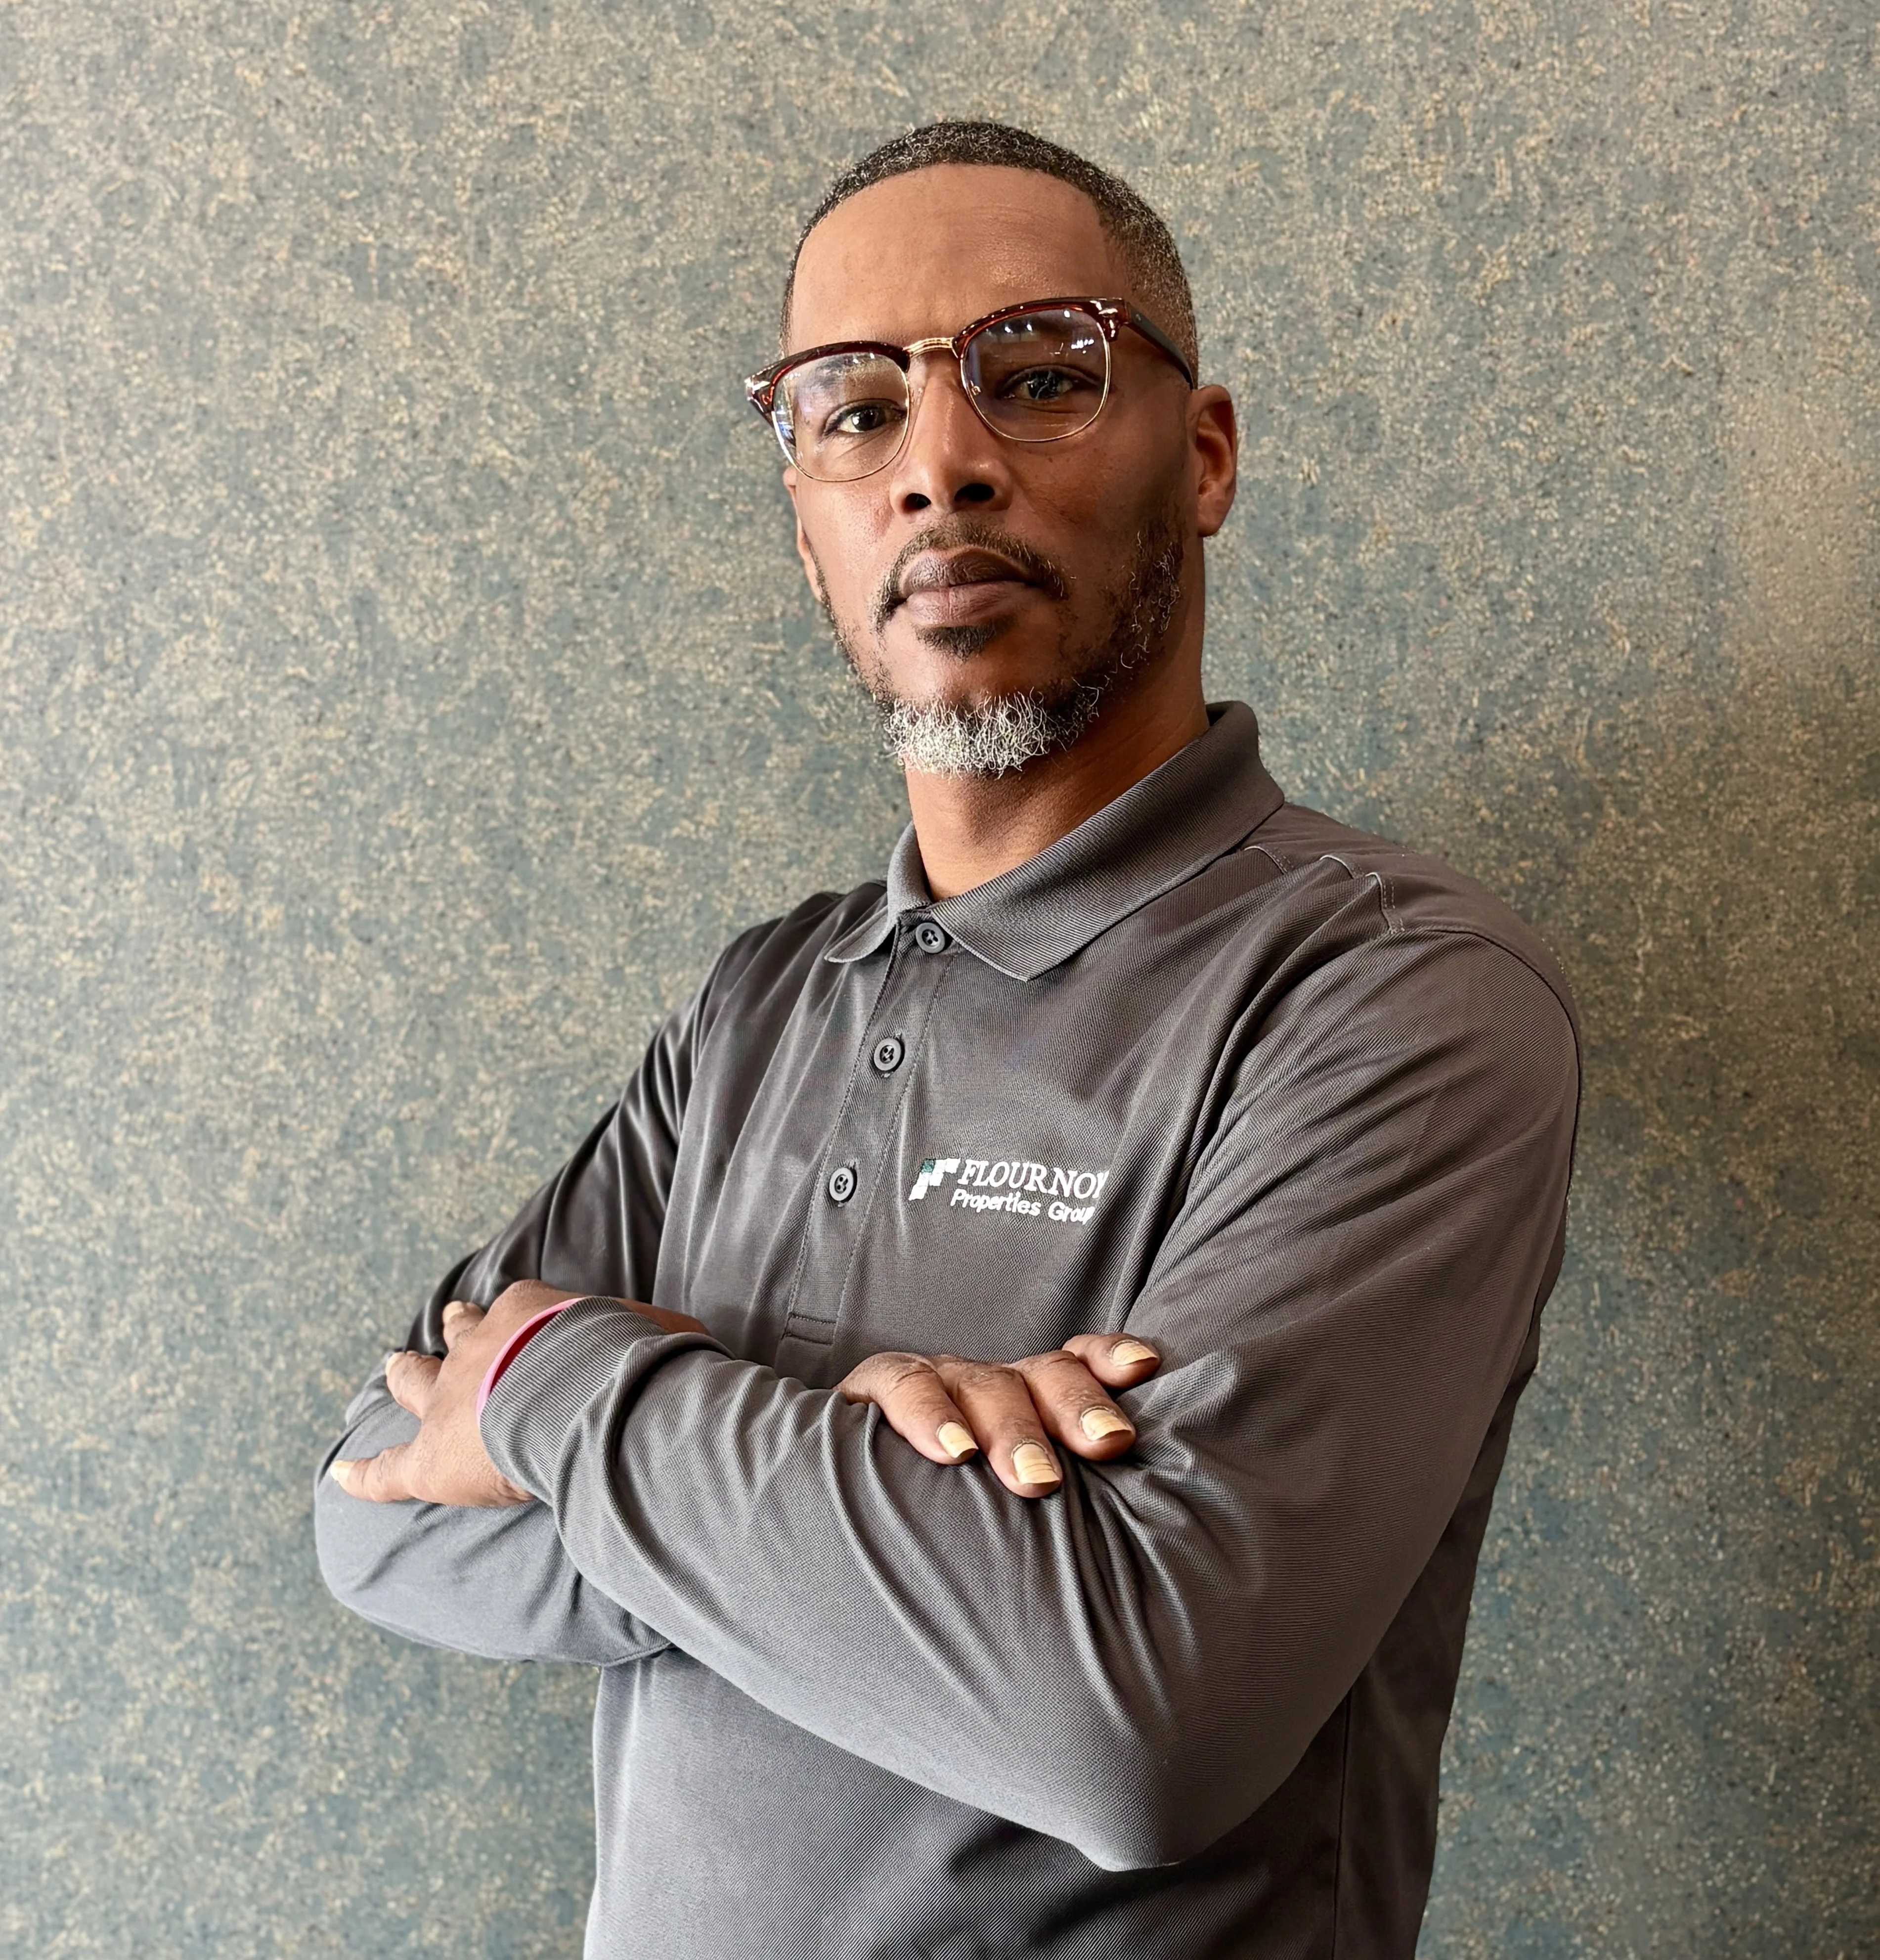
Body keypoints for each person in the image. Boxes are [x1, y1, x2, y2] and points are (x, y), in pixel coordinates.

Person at [316, 120, 1580, 1959]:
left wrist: (563, 1384)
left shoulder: (1394, 995)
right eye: (855, 411)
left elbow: (1128, 1709)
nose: (944, 467)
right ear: (808, 508)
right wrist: (838, 1446)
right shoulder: (761, 1003)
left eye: (1042, 376)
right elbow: (374, 1509)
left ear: (1203, 456)